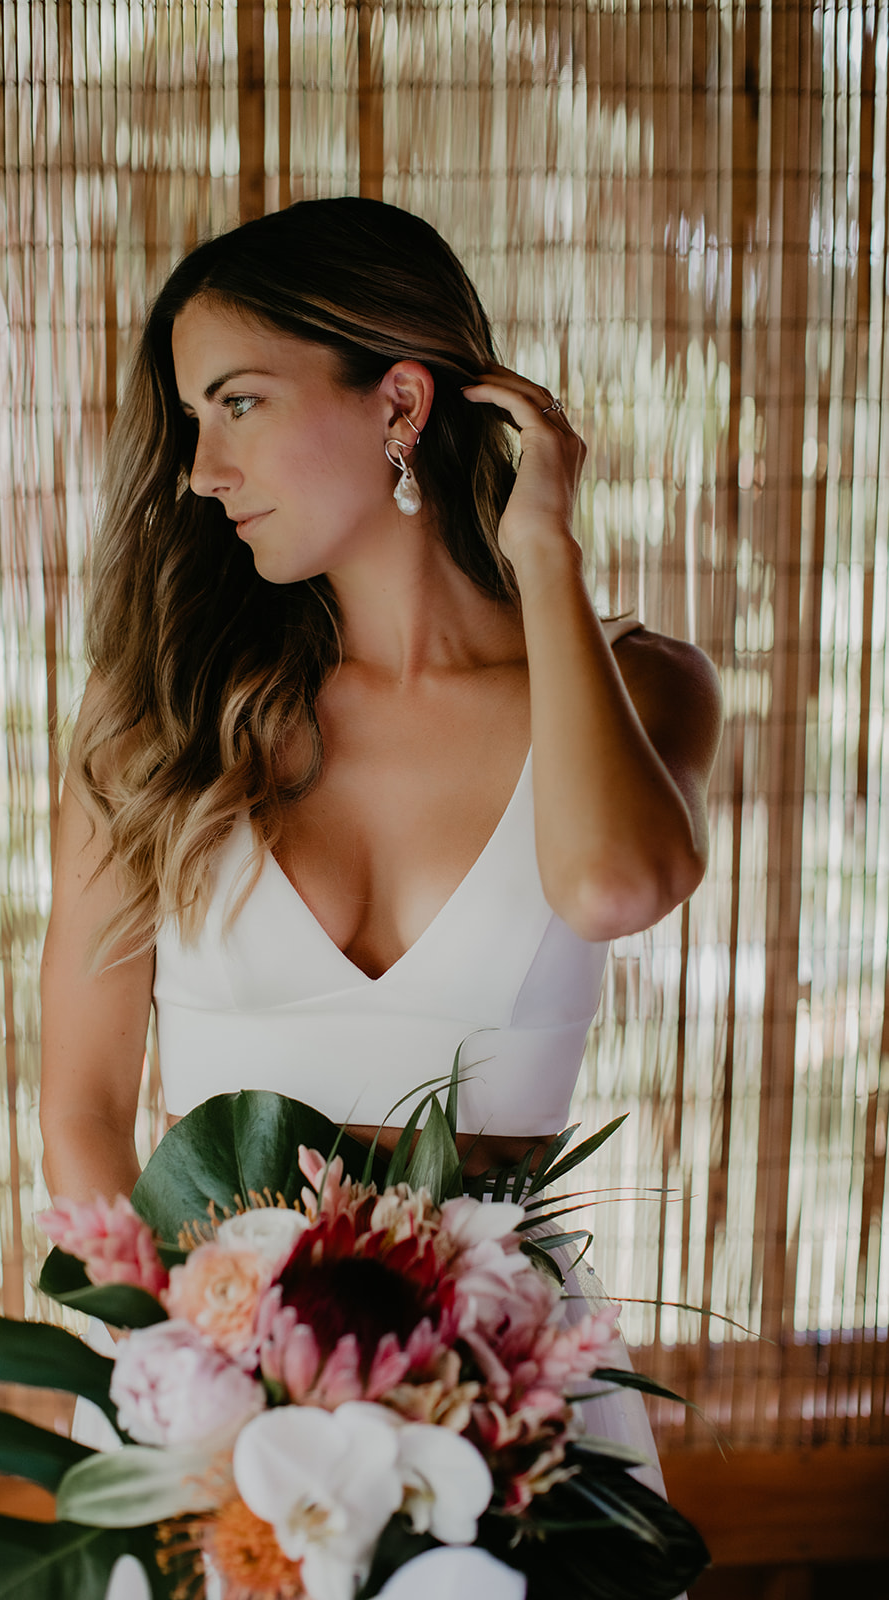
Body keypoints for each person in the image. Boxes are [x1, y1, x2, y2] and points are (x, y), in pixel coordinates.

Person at [38, 197, 722, 1596]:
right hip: (217, 1413)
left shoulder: (639, 686)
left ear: (400, 400)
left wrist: (546, 557)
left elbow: (612, 883)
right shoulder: (155, 721)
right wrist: (213, 1385)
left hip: (517, 1390)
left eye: (236, 404)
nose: (200, 467)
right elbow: (84, 1111)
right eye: (189, 419)